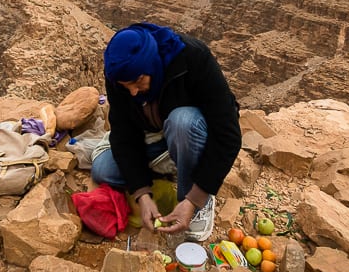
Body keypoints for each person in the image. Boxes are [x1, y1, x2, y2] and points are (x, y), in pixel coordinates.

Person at [91, 22, 241, 241]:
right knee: (102, 169)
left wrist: (194, 199)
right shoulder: (118, 76)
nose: (132, 92)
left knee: (182, 122)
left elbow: (228, 135)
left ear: (150, 63)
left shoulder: (193, 58)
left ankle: (197, 200)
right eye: (126, 86)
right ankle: (175, 166)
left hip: (191, 131)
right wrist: (142, 194)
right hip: (153, 136)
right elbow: (124, 134)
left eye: (137, 81)